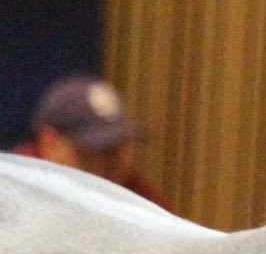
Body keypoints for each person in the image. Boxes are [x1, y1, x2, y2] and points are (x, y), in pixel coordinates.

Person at [11, 74, 169, 208]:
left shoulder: (136, 197)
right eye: (99, 150)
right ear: (50, 143)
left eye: (120, 147)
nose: (114, 162)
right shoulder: (12, 195)